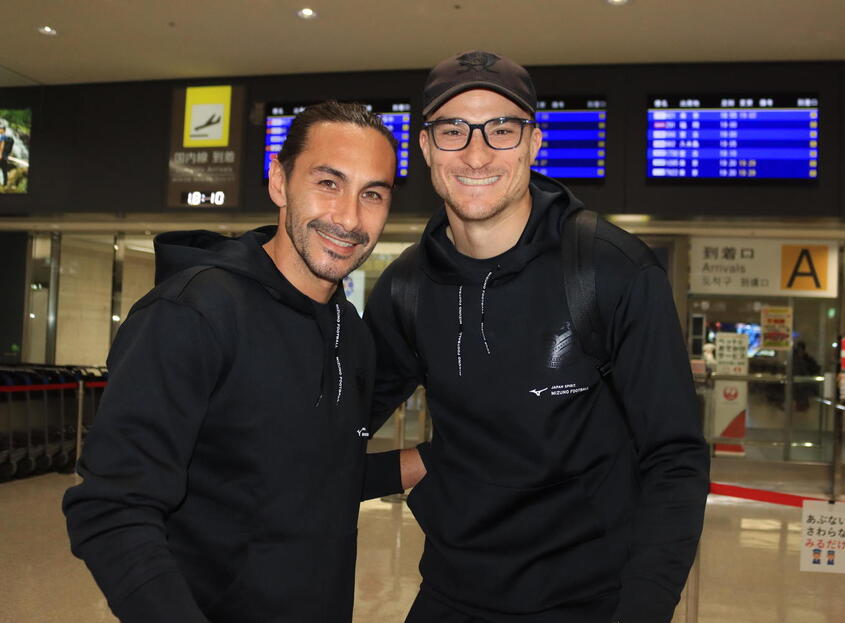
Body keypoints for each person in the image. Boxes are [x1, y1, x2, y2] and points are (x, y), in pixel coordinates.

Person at [365, 51, 710, 623]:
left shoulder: (610, 270)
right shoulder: (408, 286)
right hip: (452, 593)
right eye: (453, 130)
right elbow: (326, 432)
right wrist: (415, 465)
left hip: (589, 600)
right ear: (424, 147)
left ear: (533, 143)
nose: (476, 154)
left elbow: (674, 459)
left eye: (501, 129)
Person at [62, 101, 419, 623]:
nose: (349, 217)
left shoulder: (352, 334)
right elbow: (111, 509)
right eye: (328, 182)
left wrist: (437, 459)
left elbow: (317, 478)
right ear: (279, 181)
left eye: (372, 194)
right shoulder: (192, 313)